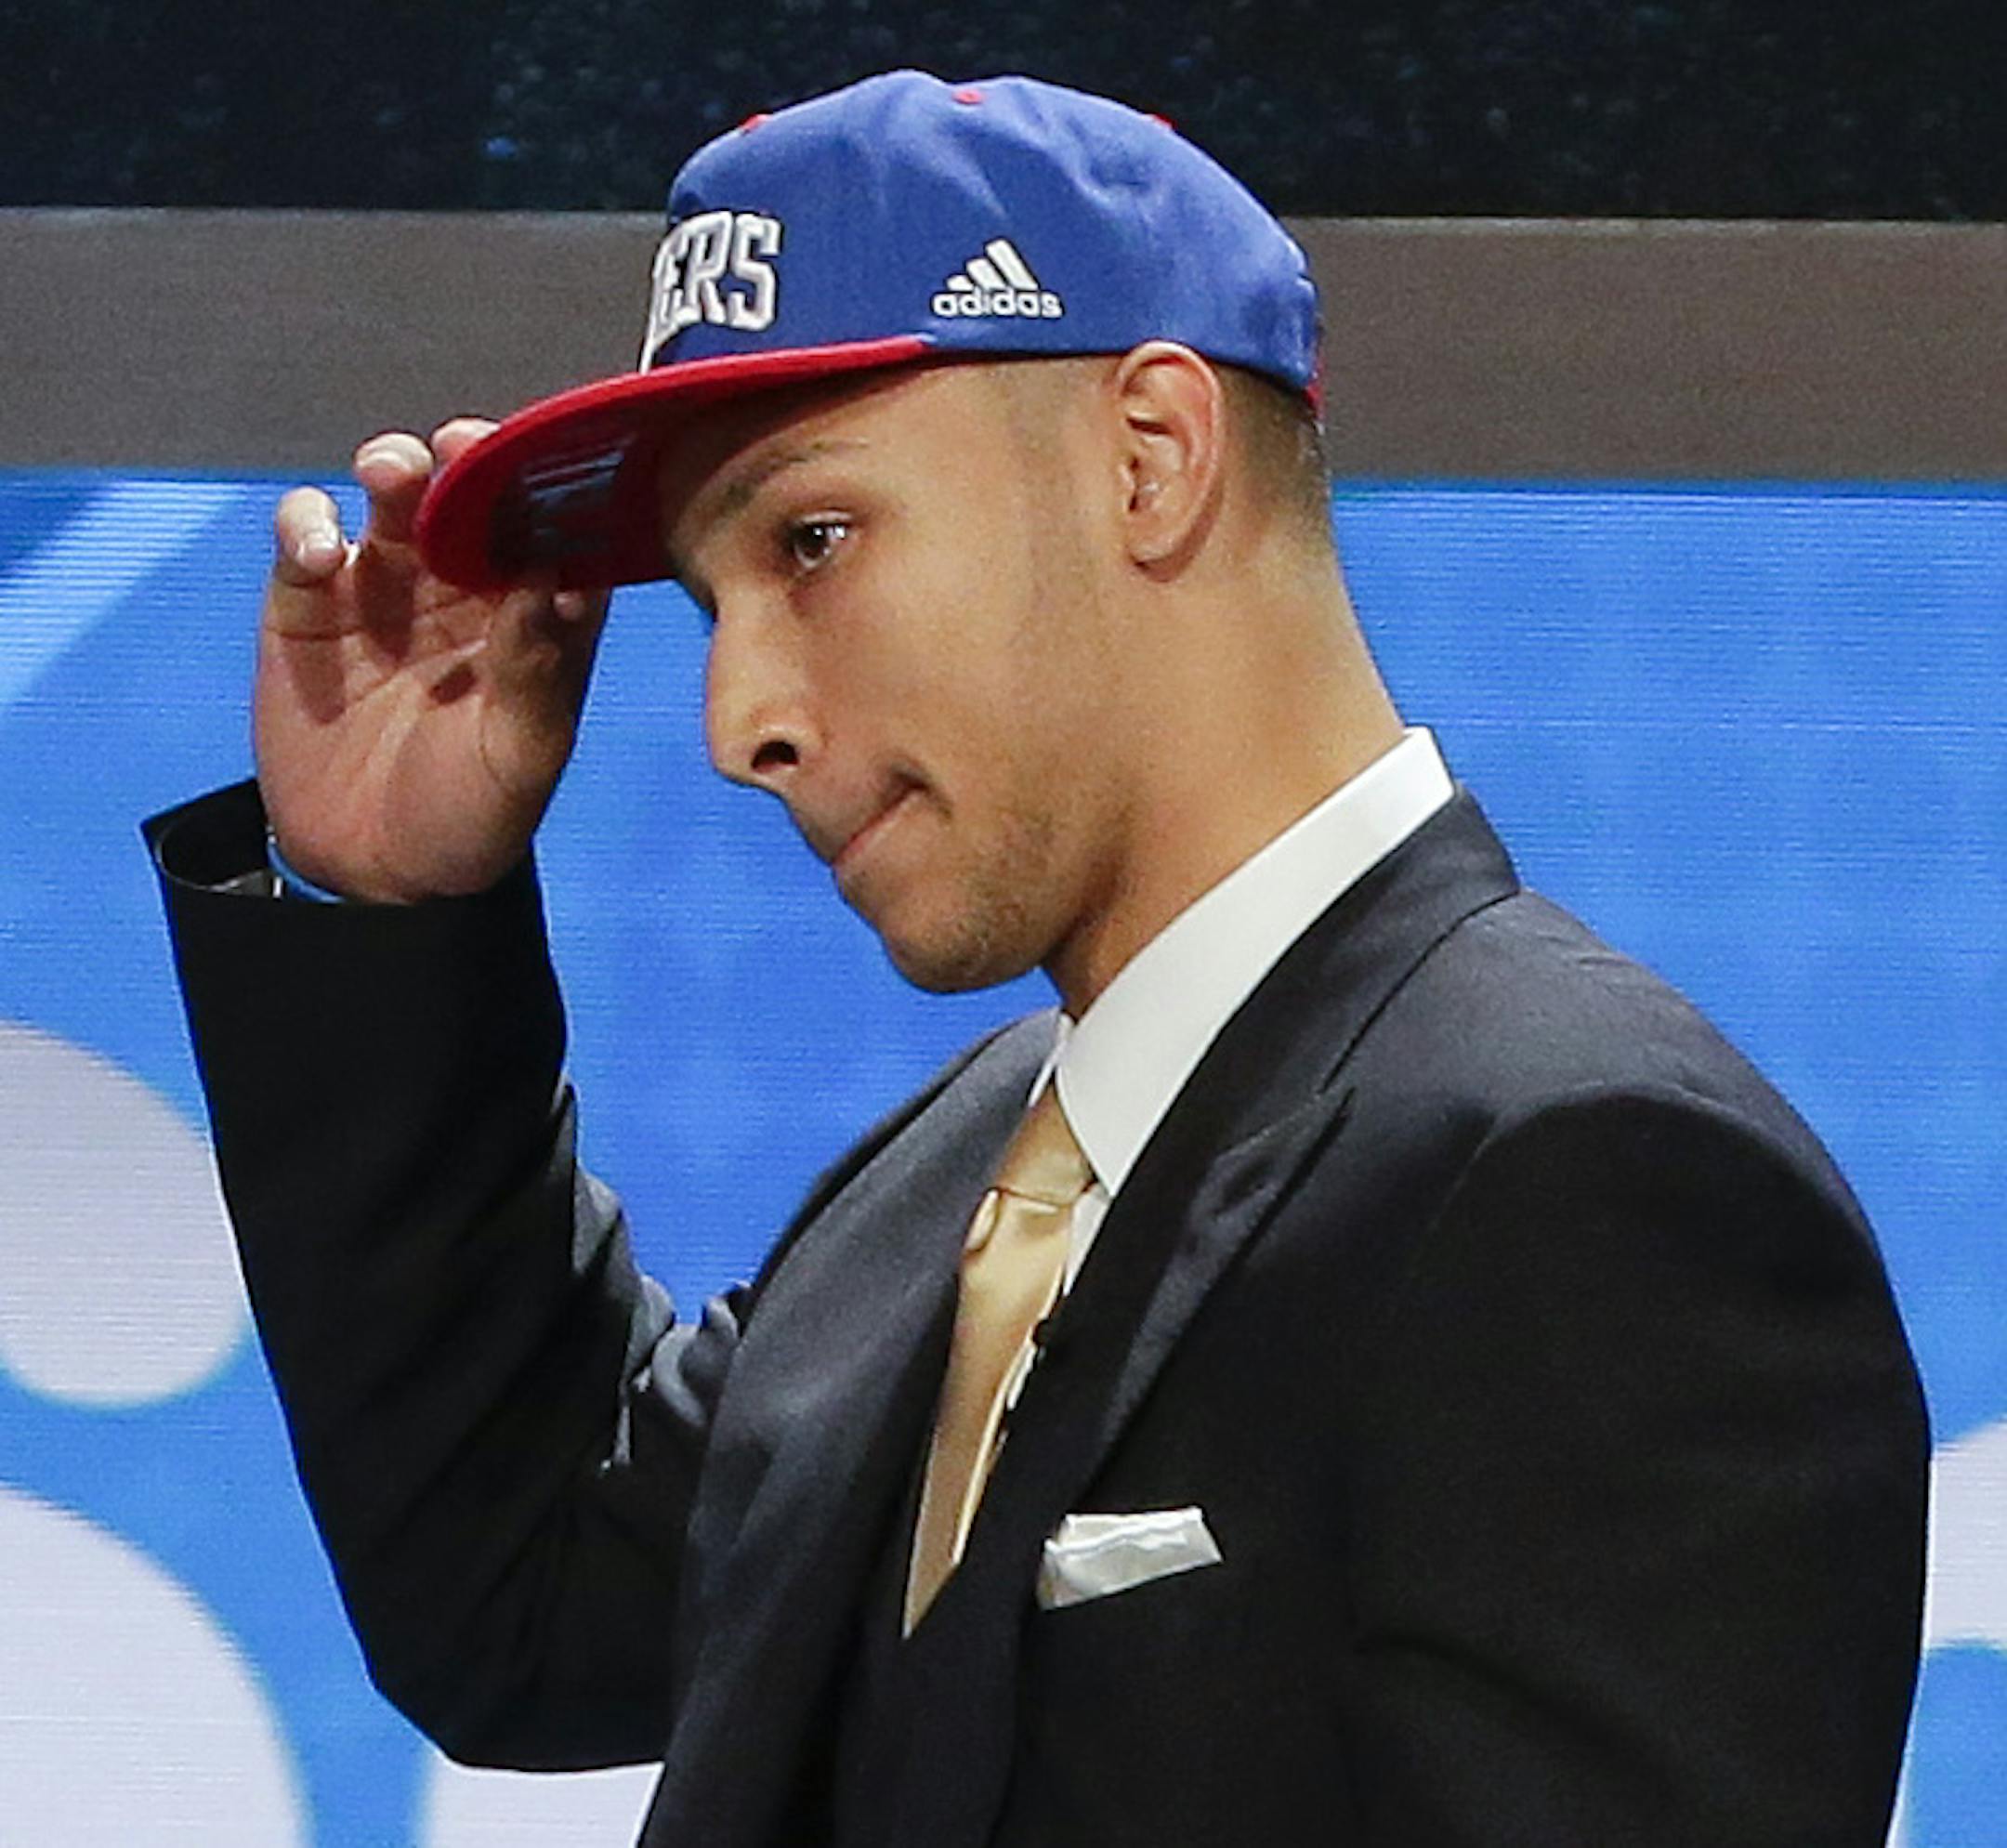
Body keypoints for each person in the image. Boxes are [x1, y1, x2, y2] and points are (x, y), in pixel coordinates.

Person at [148, 70, 1928, 1847]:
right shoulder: (978, 1173)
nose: (734, 716)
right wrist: (397, 907)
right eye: (711, 603)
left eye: (812, 541)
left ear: (1150, 457)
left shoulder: (1583, 1180)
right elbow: (525, 1597)